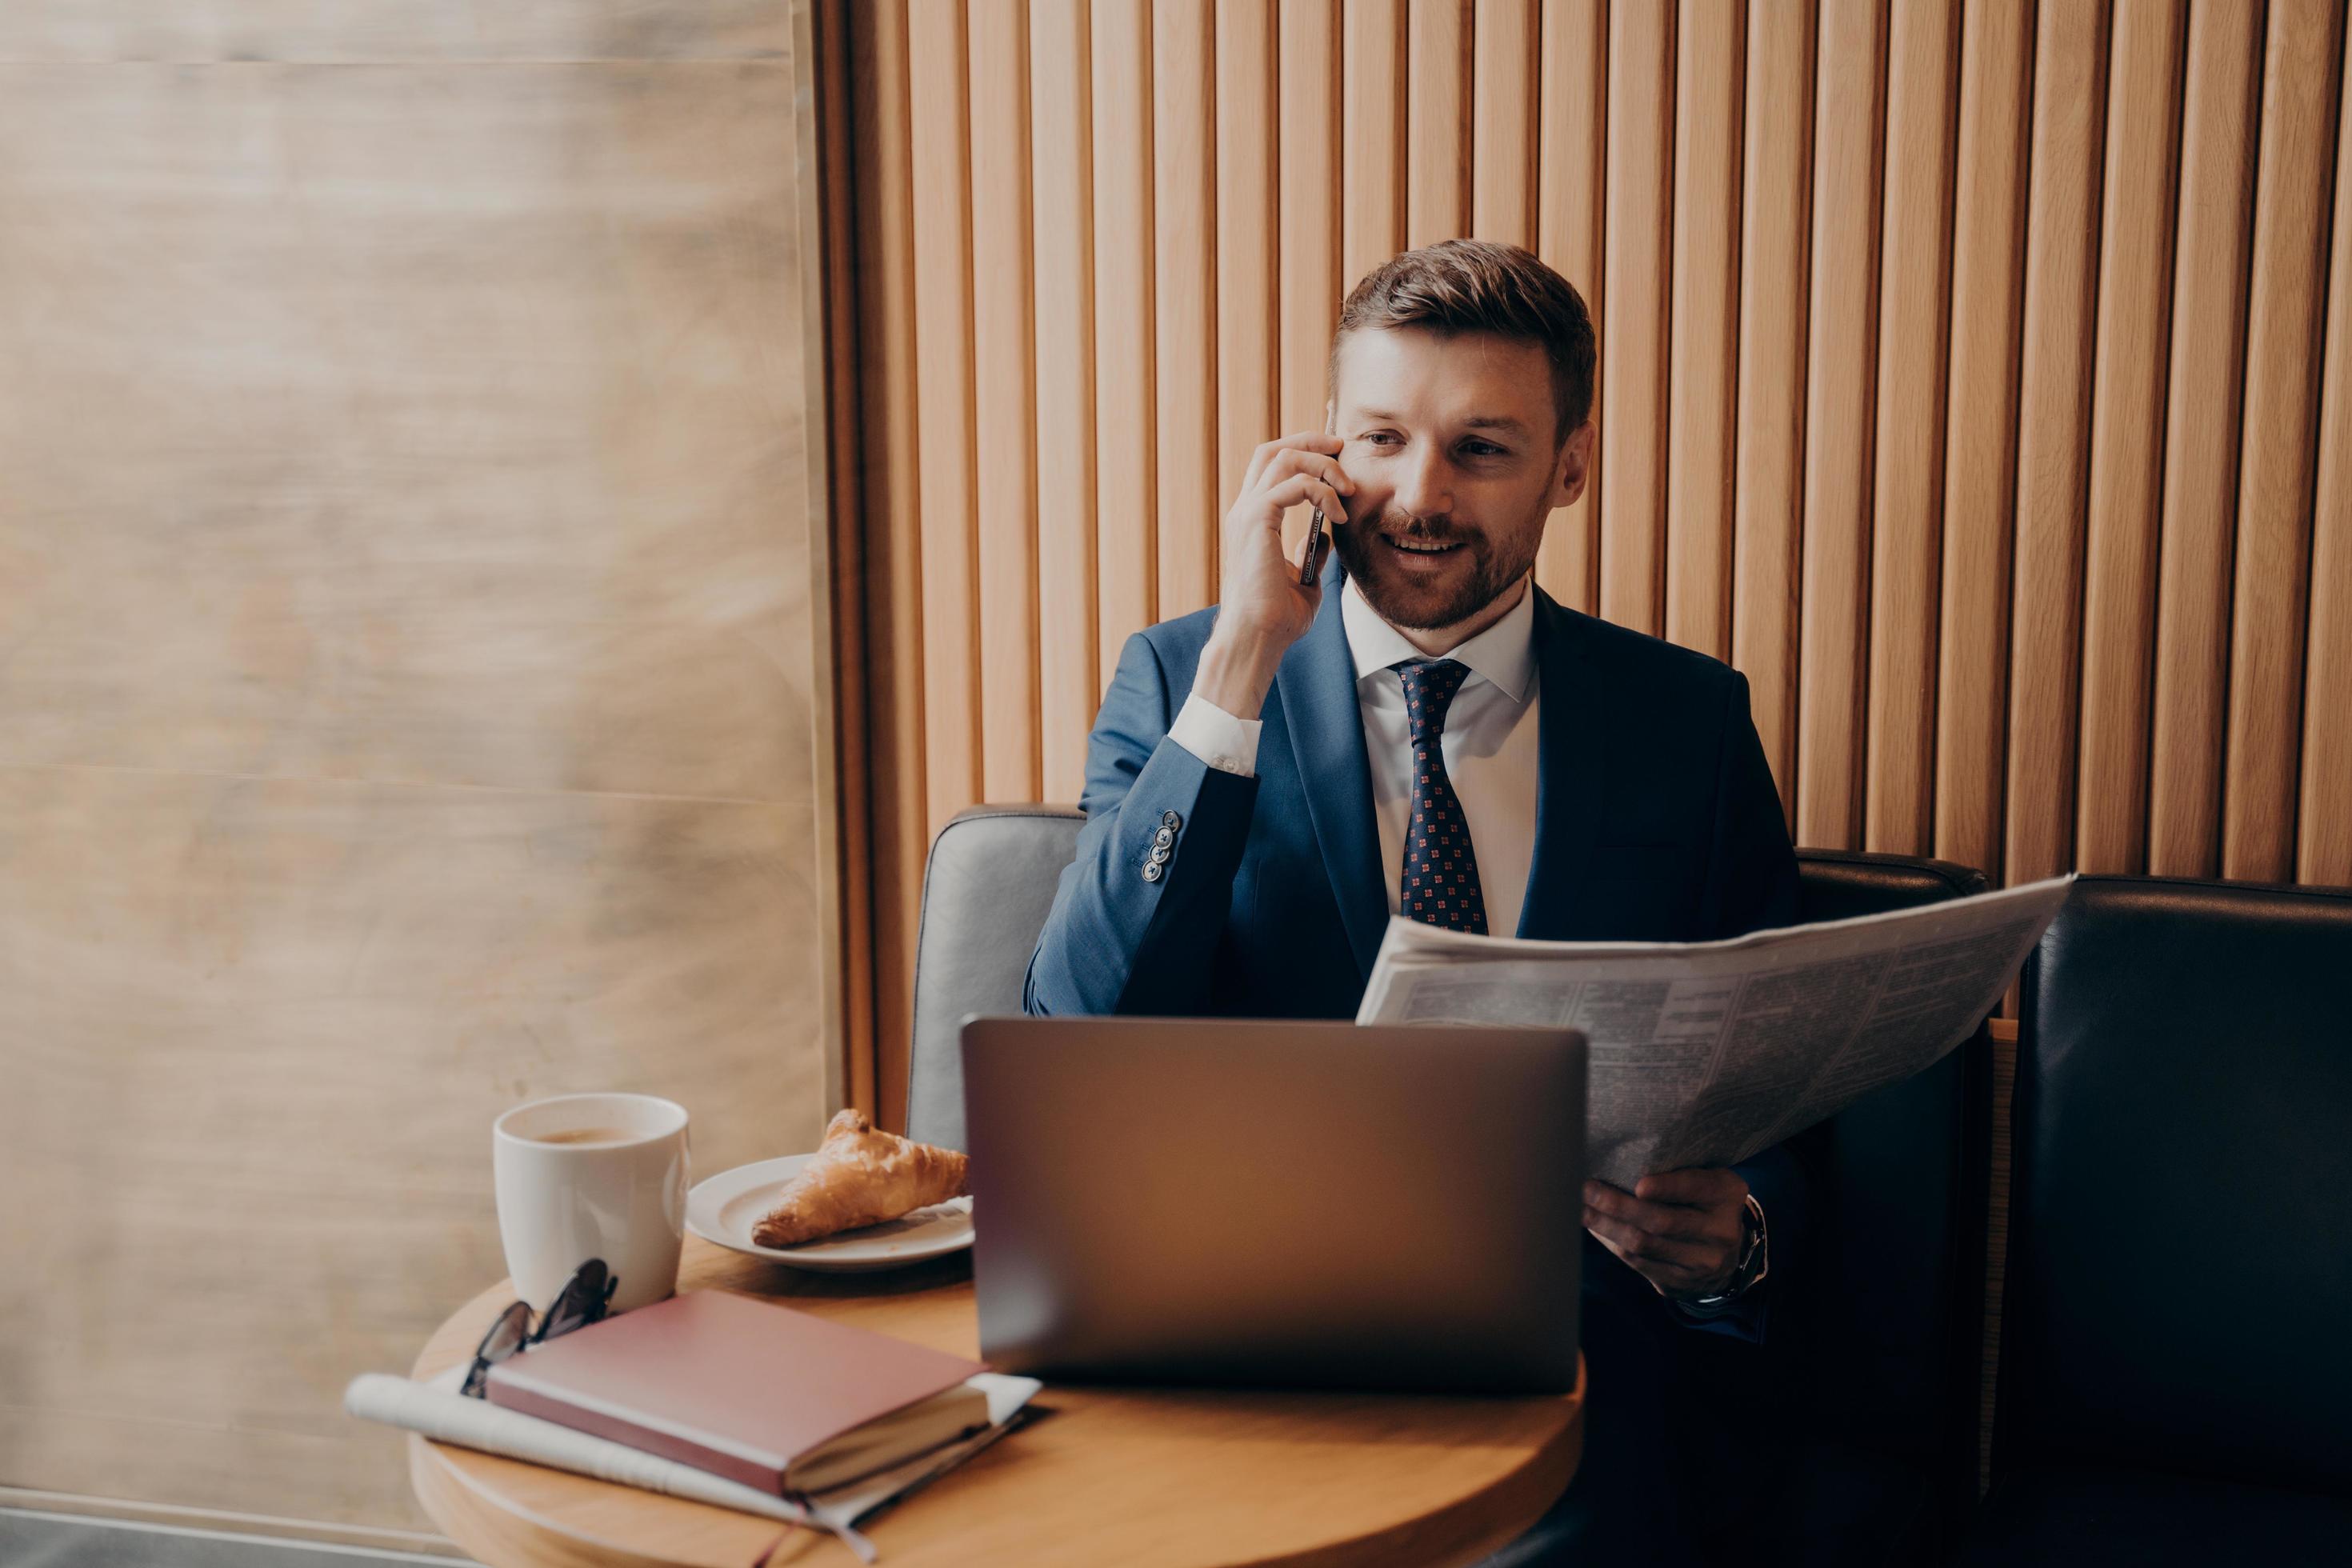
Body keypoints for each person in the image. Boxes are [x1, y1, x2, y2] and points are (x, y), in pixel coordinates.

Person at [1026, 238, 1805, 1566]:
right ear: (1326, 447)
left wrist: (1736, 1246)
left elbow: (1785, 1064)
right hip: (1240, 1338)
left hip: (1582, 1358)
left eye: (1481, 450)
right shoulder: (1183, 683)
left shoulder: (1690, 722)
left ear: (1570, 464)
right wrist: (1237, 671)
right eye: (1381, 440)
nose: (1417, 496)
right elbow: (1074, 1028)